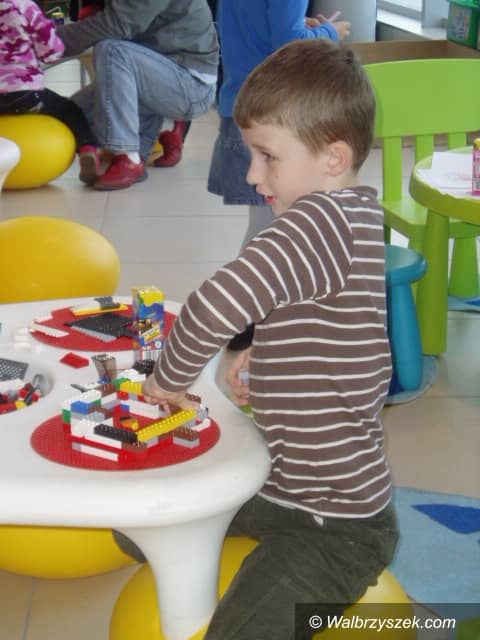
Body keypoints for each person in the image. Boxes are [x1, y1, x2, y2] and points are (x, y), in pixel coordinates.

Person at [140, 38, 398, 640]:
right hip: (281, 484)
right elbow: (332, 317)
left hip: (334, 524)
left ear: (333, 157)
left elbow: (212, 306)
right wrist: (262, 347)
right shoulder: (354, 213)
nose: (253, 175)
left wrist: (166, 382)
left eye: (267, 157)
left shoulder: (316, 221)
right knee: (145, 525)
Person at [208, 0, 351, 254]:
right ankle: (253, 279)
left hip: (243, 107)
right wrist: (330, 33)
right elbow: (290, 42)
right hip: (273, 117)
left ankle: (258, 277)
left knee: (266, 224)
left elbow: (251, 27)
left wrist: (300, 25)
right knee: (272, 230)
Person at [56, 0, 219, 190]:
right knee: (71, 112)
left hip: (191, 82)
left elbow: (116, 24)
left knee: (112, 50)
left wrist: (48, 41)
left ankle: (128, 156)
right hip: (158, 71)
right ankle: (140, 148)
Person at [0, 0, 100, 183]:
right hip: (24, 94)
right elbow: (51, 52)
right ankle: (88, 150)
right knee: (70, 110)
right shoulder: (25, 7)